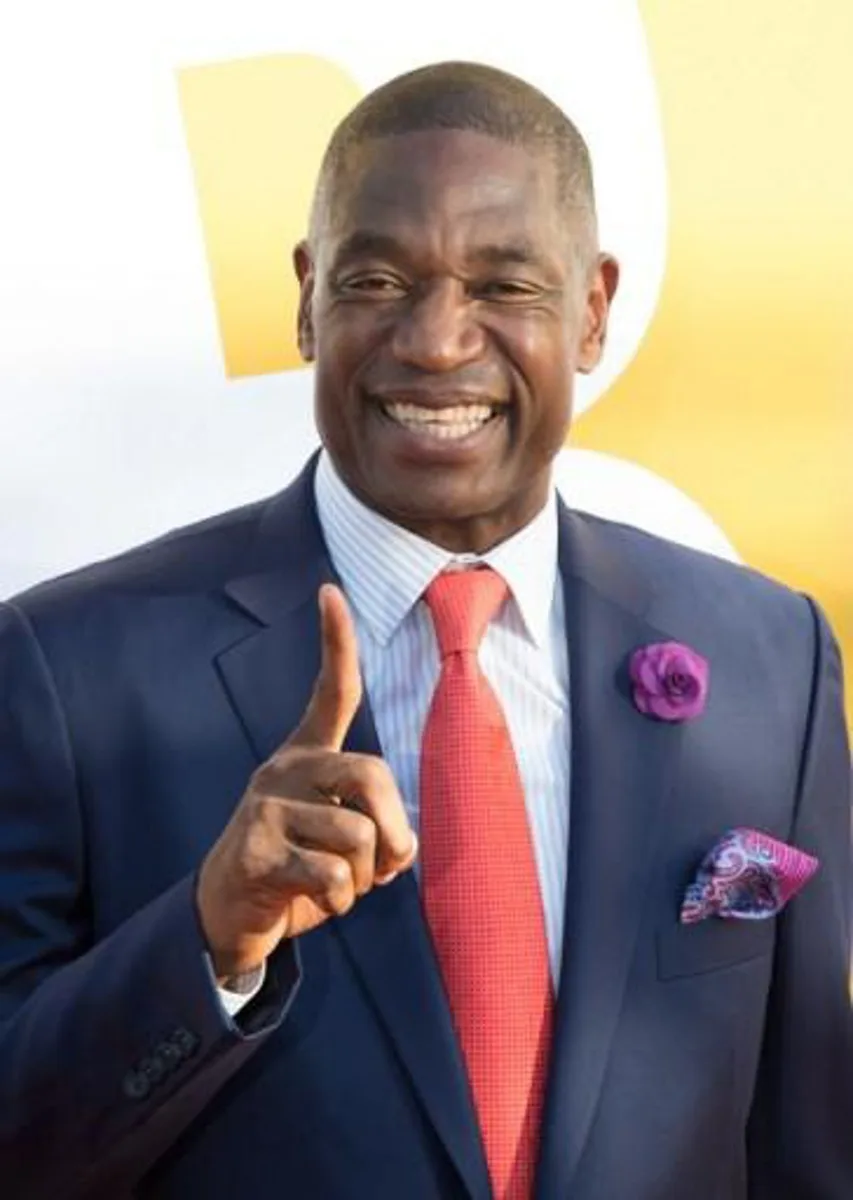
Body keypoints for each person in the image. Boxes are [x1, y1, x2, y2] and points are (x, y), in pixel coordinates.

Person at [0, 59, 850, 1200]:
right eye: (379, 280)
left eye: (502, 285)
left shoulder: (770, 660)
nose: (439, 341)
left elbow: (805, 1143)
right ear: (308, 298)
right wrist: (210, 941)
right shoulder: (70, 673)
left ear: (591, 310)